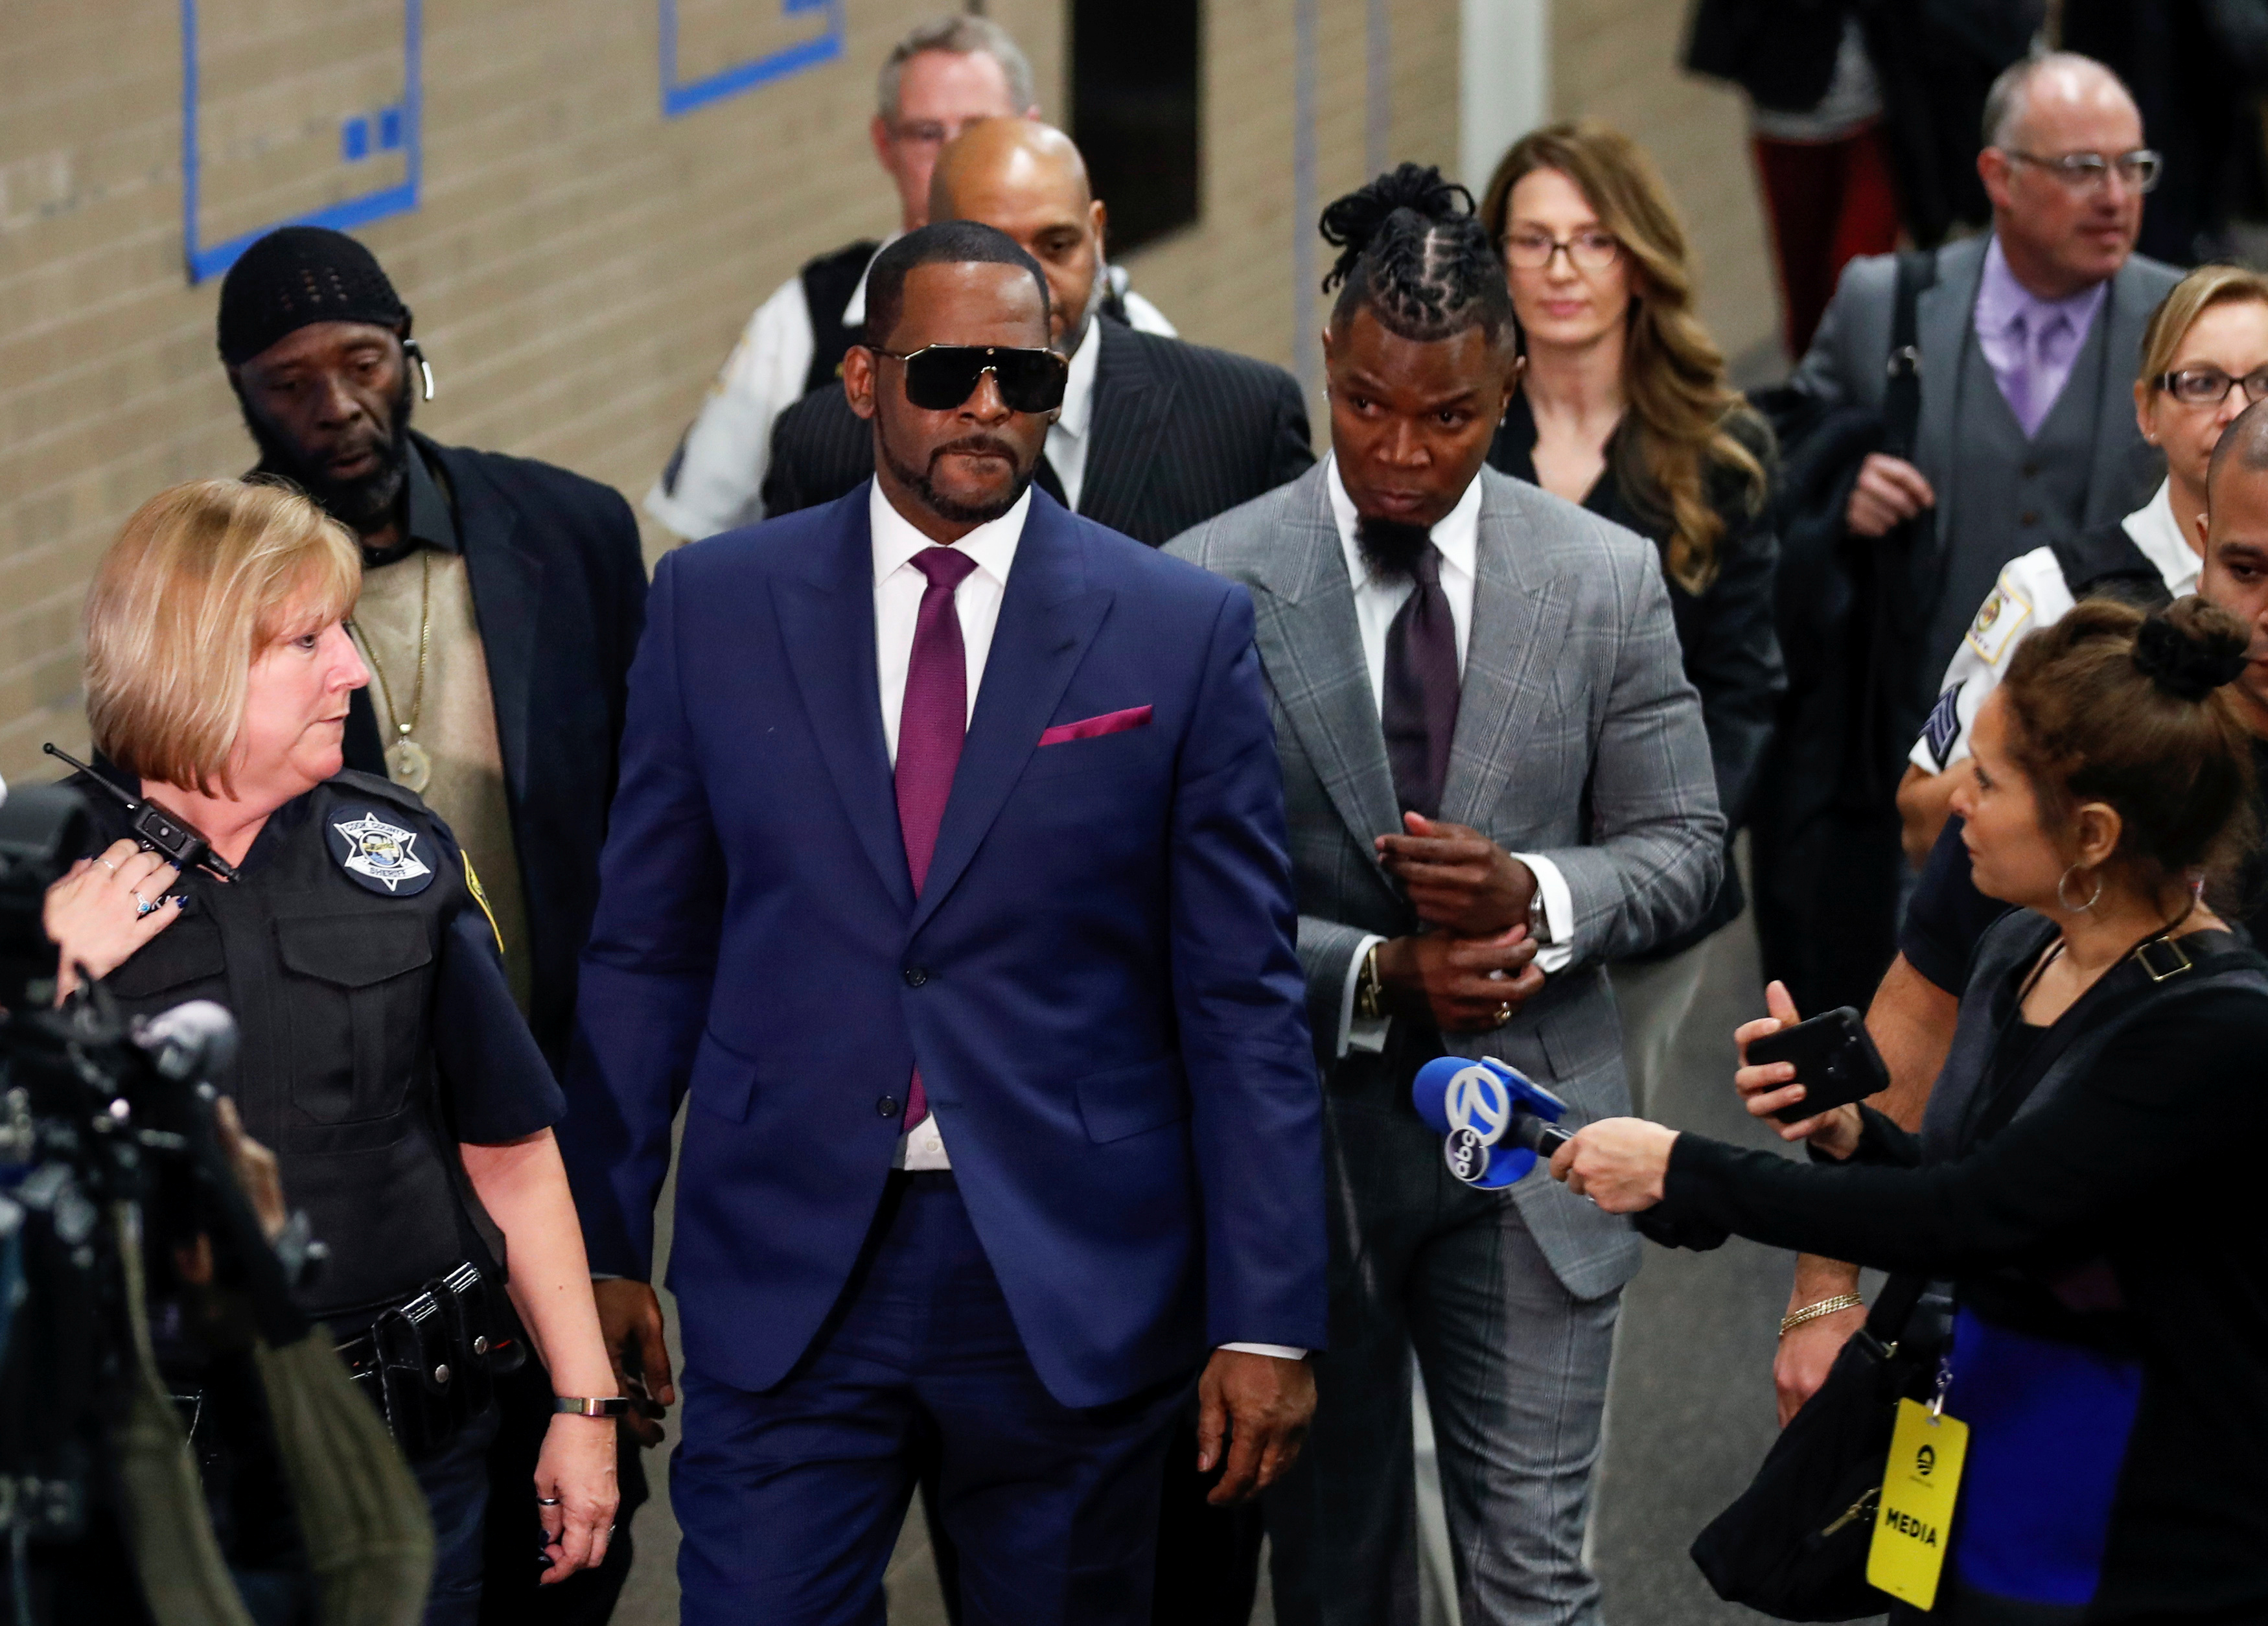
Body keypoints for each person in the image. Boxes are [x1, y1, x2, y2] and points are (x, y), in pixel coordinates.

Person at [557, 221, 1327, 1626]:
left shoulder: (1178, 630)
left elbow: (1239, 1000)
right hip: (785, 1269)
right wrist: (598, 1246)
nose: (988, 406)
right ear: (861, 380)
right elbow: (644, 954)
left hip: (1069, 1276)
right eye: (949, 371)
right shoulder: (711, 610)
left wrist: (1265, 1311)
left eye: (1024, 377)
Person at [1168, 165, 1725, 1626]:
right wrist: (1370, 972)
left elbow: (1686, 846)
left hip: (1532, 1150)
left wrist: (1535, 891)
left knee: (1533, 1580)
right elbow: (1165, 901)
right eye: (1363, 404)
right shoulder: (1206, 589)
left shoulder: (1601, 580)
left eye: (1448, 417)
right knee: (1336, 1581)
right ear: (1328, 366)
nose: (1398, 451)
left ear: (1510, 388)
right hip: (1304, 1163)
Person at [1555, 595, 2268, 1624]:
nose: (1951, 799)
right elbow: (1997, 1191)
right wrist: (1855, 1137)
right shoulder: (2025, 947)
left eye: (1989, 778)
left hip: (2133, 1523)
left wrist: (1681, 1168)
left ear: (2095, 833)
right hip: (1989, 1457)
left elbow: (1977, 1217)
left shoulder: (2212, 1031)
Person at [43, 479, 620, 1624]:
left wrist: (585, 1402)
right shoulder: (40, 876)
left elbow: (508, 1146)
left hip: (411, 1459)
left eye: (344, 631)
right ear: (190, 659)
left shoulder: (396, 852)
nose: (352, 669)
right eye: (307, 639)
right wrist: (51, 976)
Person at [213, 224, 651, 1625]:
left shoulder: (571, 536)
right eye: (292, 383)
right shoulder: (211, 599)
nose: (337, 406)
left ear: (412, 354)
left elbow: (645, 879)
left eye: (362, 363)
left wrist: (623, 1235)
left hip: (562, 1126)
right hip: (366, 1175)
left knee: (581, 1545)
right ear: (241, 396)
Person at [1775, 393, 2268, 1417]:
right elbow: (1918, 1006)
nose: (2267, 617)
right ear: (2203, 541)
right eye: (2250, 573)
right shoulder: (2088, 749)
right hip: (2042, 1358)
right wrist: (1823, 1295)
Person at [1753, 51, 2182, 1020]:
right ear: (1999, 176)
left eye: (2135, 168)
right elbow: (1781, 462)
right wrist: (1841, 485)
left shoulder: (2183, 324)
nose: (2117, 197)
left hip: (2105, 807)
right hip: (1915, 780)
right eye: (2083, 169)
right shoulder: (1885, 308)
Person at [1479, 120, 1782, 1117]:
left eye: (1594, 238)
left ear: (1639, 259)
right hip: (1476, 884)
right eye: (1534, 240)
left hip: (1645, 899)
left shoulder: (1719, 452)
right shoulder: (1456, 435)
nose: (1563, 267)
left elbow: (1743, 689)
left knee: (1600, 1160)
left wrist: (1674, 852)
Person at [645, 16, 1175, 542]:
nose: (950, 154)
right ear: (884, 144)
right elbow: (707, 536)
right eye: (926, 134)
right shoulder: (807, 322)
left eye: (977, 129)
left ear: (1029, 129)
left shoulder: (1127, 329)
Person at [763, 119, 1313, 545]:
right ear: (930, 244)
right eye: (992, 251)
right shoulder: (824, 445)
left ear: (1097, 235)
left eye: (1057, 247)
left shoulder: (1243, 419)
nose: (1031, 289)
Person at [1899, 263, 2268, 862]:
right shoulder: (2054, 592)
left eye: (2264, 380)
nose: (2237, 409)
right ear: (2147, 411)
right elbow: (1920, 822)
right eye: (2202, 383)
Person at [1681, 0, 1901, 355]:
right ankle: (1816, 392)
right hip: (1788, 120)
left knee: (1860, 272)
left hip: (1875, 120)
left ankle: (1863, 387)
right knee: (1806, 283)